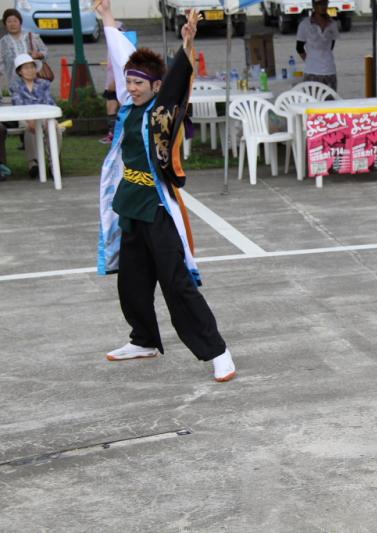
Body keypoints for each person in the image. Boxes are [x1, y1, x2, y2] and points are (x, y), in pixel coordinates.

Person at [94, 0, 236, 383]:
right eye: (129, 81)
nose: (132, 88)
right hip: (129, 206)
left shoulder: (162, 109)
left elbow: (178, 79)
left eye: (139, 83)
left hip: (157, 208)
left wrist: (188, 43)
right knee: (132, 283)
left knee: (176, 284)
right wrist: (107, 17)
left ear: (155, 86)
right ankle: (144, 340)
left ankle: (218, 351)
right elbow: (120, 51)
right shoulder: (129, 106)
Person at [10, 53, 61, 179]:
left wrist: (43, 118)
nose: (30, 71)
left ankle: (53, 162)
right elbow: (18, 105)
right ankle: (33, 163)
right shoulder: (15, 86)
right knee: (29, 128)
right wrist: (30, 119)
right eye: (26, 68)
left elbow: (50, 103)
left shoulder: (44, 84)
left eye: (32, 67)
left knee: (54, 127)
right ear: (20, 72)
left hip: (44, 115)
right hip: (24, 116)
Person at [296, 0, 339, 91]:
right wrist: (310, 60)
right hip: (311, 72)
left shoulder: (333, 24)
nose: (323, 6)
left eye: (325, 3)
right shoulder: (304, 25)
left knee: (330, 103)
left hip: (330, 71)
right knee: (312, 103)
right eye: (320, 4)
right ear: (314, 6)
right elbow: (299, 48)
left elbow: (331, 46)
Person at [0, 8, 47, 91]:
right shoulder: (3, 42)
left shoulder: (32, 37)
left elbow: (45, 52)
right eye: (9, 21)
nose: (12, 24)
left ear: (20, 22)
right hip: (14, 83)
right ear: (5, 24)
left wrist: (38, 55)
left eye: (15, 21)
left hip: (34, 80)